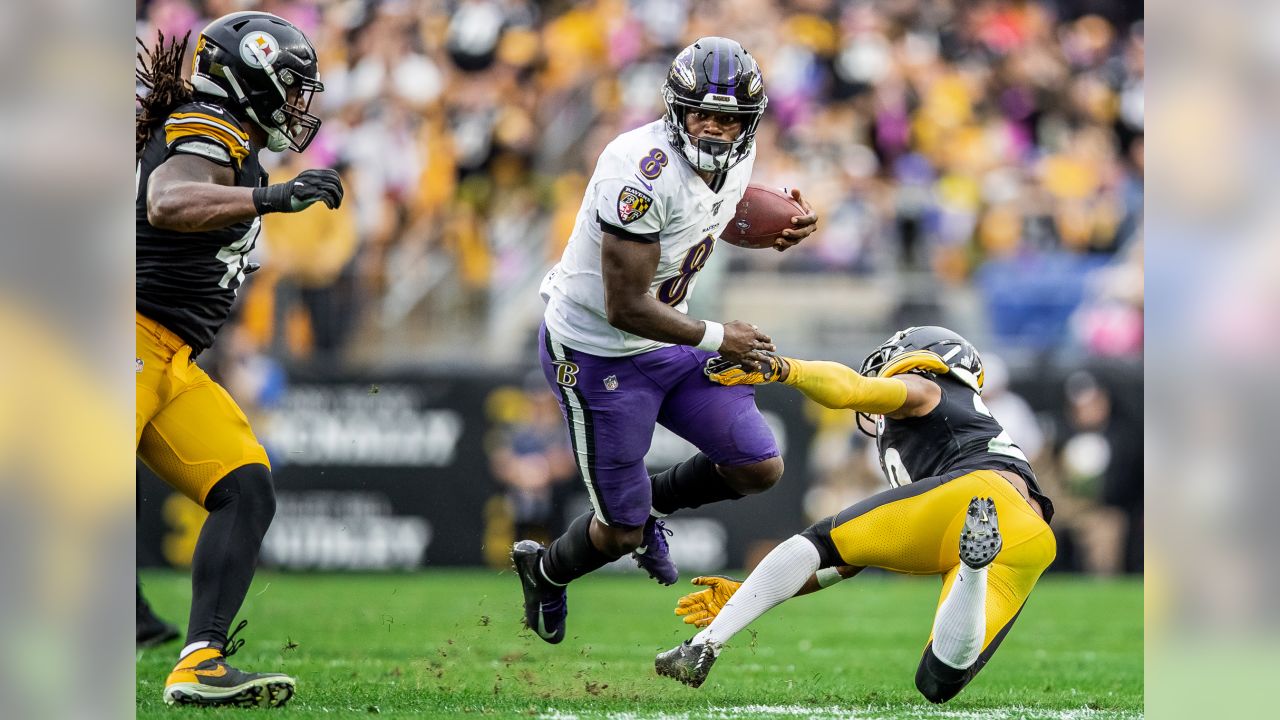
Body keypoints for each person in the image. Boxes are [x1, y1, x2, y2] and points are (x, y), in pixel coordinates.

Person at [513, 37, 819, 644]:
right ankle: (545, 570)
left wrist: (767, 229)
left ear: (748, 121)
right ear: (675, 108)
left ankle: (637, 503)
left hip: (667, 334)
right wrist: (718, 336)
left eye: (728, 117)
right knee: (619, 535)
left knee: (758, 466)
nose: (713, 127)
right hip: (598, 348)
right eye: (701, 112)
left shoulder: (740, 153)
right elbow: (624, 305)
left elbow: (707, 213)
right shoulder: (638, 169)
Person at [655, 326, 1056, 704]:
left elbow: (853, 388)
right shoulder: (966, 416)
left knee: (822, 539)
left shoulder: (927, 386)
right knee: (939, 680)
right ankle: (973, 568)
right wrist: (751, 593)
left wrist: (782, 369)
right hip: (1029, 535)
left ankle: (703, 645)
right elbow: (849, 561)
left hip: (977, 491)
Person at [135, 11, 344, 707]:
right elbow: (166, 202)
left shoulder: (233, 138)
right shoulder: (210, 123)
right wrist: (270, 198)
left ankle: (199, 662)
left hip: (169, 356)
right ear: (246, 74)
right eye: (287, 86)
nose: (295, 104)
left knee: (245, 487)